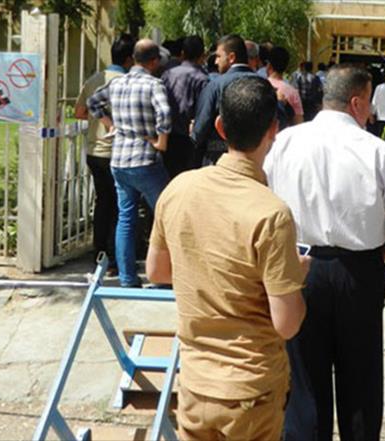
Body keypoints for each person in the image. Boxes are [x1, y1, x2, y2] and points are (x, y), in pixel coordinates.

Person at [264, 64, 385, 441]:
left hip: (300, 266)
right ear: (356, 102)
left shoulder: (284, 143)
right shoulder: (377, 151)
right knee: (361, 379)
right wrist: (383, 252)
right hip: (359, 270)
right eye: (368, 102)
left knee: (304, 378)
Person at [146, 76, 307, 440]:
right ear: (273, 129)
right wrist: (293, 276)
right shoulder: (272, 213)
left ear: (219, 126)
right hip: (251, 389)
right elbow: (287, 324)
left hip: (194, 383)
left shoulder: (178, 188)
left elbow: (156, 270)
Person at [88, 39, 171, 288]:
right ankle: (163, 276)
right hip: (145, 159)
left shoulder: (117, 83)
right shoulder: (154, 85)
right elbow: (165, 114)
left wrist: (111, 125)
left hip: (119, 160)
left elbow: (93, 102)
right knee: (166, 215)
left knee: (126, 218)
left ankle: (127, 277)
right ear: (154, 61)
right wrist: (161, 142)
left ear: (134, 58)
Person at [74, 34, 135, 271]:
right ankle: (114, 256)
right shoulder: (127, 82)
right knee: (120, 206)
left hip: (94, 150)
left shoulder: (94, 80)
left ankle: (99, 253)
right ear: (129, 59)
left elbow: (79, 112)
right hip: (118, 152)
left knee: (102, 203)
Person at [192, 34, 253, 166]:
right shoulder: (265, 85)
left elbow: (201, 127)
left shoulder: (215, 86)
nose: (215, 62)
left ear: (231, 57)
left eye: (219, 56)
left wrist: (194, 133)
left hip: (219, 157)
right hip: (255, 160)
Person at [161, 35, 209, 177]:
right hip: (190, 138)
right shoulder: (203, 79)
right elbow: (203, 110)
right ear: (202, 55)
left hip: (168, 136)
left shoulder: (167, 74)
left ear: (182, 53)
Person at [268, 46, 304, 125]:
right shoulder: (293, 92)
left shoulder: (261, 85)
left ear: (269, 65)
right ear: (286, 66)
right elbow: (298, 122)